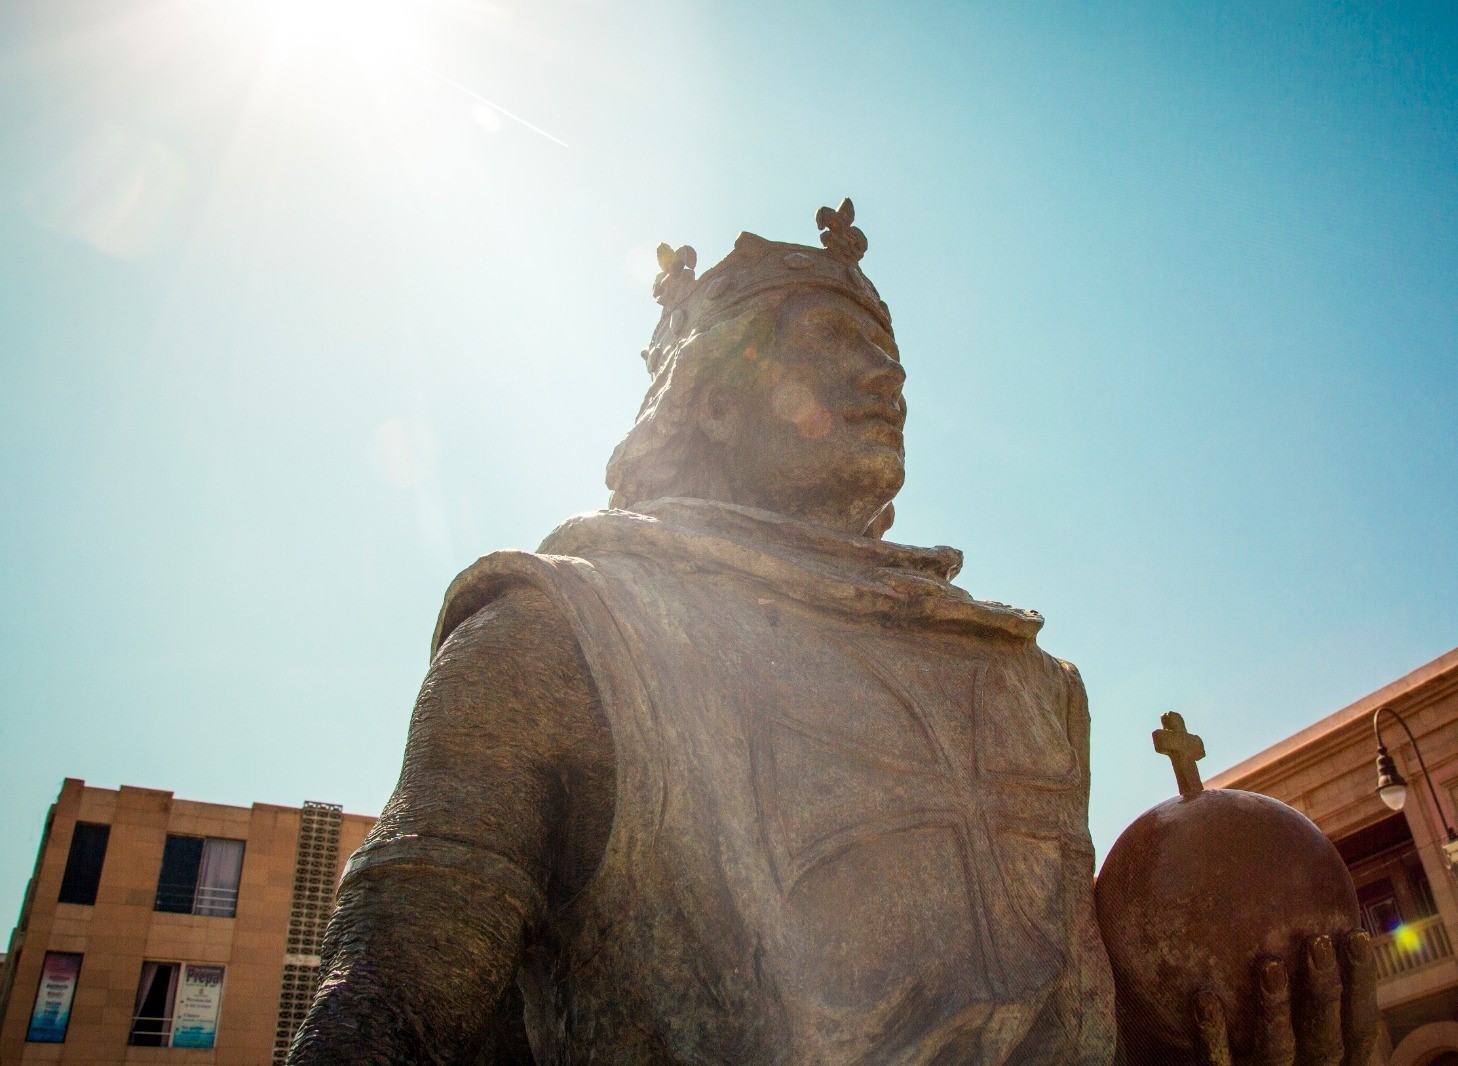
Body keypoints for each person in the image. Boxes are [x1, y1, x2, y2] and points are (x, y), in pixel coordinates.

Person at [288, 201, 1376, 1065]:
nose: (888, 374)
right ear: (711, 400)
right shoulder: (559, 631)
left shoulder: (1035, 689)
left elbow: (1054, 1020)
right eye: (834, 340)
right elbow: (392, 992)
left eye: (891, 351)